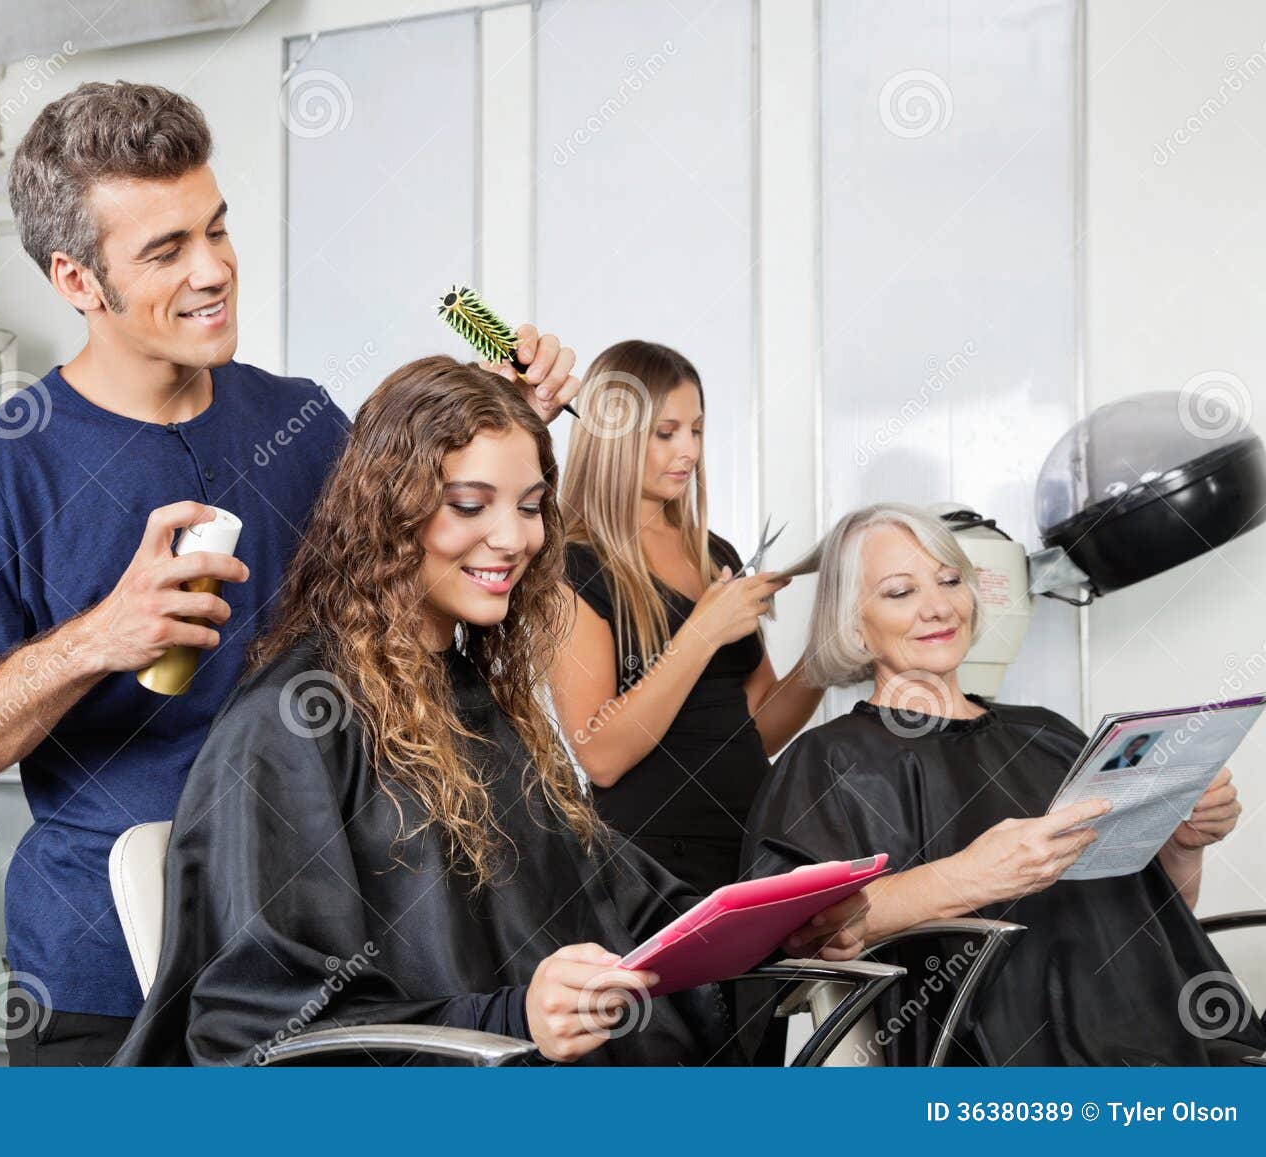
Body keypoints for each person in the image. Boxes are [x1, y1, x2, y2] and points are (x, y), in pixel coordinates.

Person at [0, 82, 580, 1066]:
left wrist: (498, 428)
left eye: (216, 228)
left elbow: (421, 597)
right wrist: (98, 639)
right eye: (165, 250)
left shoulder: (302, 421)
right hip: (106, 982)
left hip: (316, 956)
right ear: (77, 280)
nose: (213, 270)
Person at [114, 358, 869, 1066]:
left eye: (533, 506)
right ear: (388, 509)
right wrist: (514, 1020)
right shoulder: (294, 721)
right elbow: (257, 1027)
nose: (515, 538)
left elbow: (618, 901)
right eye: (471, 504)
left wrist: (766, 930)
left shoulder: (481, 698)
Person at [742, 502, 1264, 1065]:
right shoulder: (828, 761)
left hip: (1169, 1042)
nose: (939, 607)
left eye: (950, 580)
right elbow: (803, 936)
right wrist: (971, 877)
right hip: (1000, 1062)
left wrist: (1183, 848)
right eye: (900, 592)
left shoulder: (1049, 734)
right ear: (853, 627)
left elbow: (1153, 923)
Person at [551, 341, 821, 894]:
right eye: (667, 432)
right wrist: (701, 632)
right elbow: (599, 756)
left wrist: (827, 661)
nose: (690, 450)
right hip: (649, 869)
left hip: (752, 847)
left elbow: (759, 726)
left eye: (696, 430)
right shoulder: (572, 565)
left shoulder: (713, 552)